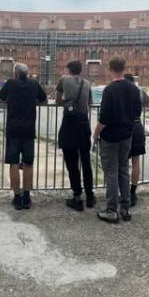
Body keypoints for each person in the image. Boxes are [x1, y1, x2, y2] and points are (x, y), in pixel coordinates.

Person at [93, 57, 140, 223]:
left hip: (110, 137)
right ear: (124, 67)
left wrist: (96, 133)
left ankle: (111, 210)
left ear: (110, 69)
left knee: (111, 172)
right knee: (123, 170)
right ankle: (125, 208)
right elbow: (137, 113)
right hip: (127, 135)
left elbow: (104, 117)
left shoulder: (109, 90)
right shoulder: (134, 89)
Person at [0, 62, 46, 210]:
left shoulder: (10, 83)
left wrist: (11, 101)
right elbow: (44, 100)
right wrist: (33, 103)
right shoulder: (34, 84)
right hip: (28, 130)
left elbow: (1, 99)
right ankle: (27, 197)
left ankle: (17, 197)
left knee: (13, 163)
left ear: (16, 73)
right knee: (28, 163)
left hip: (13, 129)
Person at [55, 60, 95, 211]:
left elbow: (58, 100)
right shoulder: (87, 83)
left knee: (72, 163)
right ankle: (90, 196)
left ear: (69, 70)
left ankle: (77, 197)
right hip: (84, 124)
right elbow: (90, 102)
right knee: (86, 161)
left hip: (70, 125)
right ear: (80, 70)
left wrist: (67, 102)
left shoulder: (64, 80)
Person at [124, 73, 149, 207]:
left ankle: (123, 192)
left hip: (124, 127)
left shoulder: (120, 90)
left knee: (121, 162)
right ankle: (133, 192)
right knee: (136, 161)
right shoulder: (139, 91)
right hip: (137, 125)